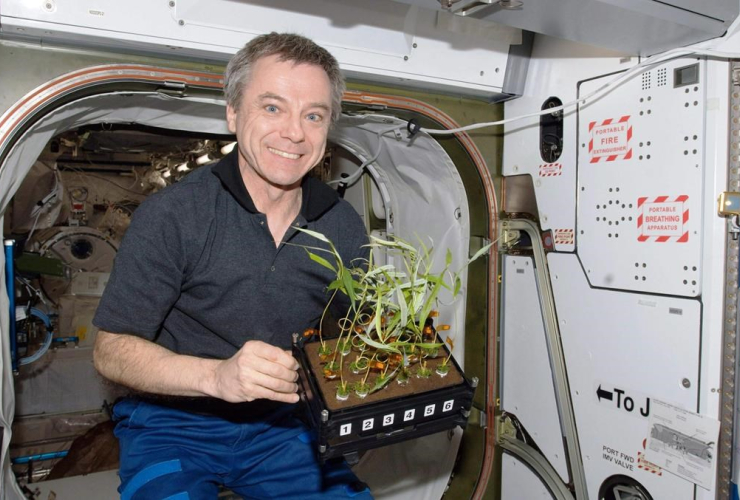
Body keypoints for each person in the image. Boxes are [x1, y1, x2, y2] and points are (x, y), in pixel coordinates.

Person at [92, 32, 371, 499]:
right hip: (173, 422)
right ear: (233, 113)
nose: (295, 132)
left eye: (314, 115)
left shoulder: (343, 226)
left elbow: (342, 342)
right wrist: (216, 377)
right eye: (272, 107)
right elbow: (110, 350)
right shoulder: (175, 214)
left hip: (286, 429)